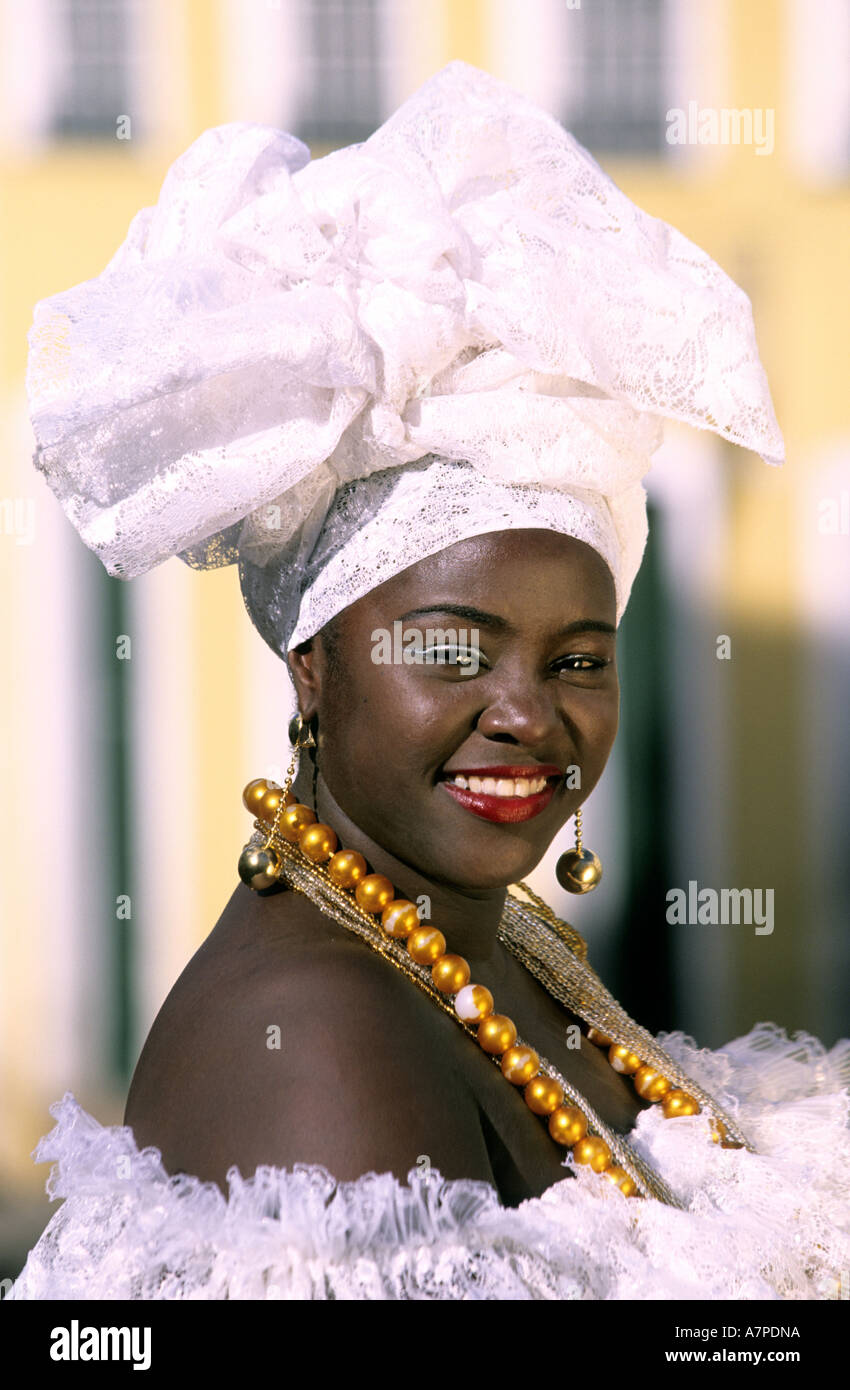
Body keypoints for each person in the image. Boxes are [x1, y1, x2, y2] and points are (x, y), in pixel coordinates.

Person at [9, 61, 850, 1300]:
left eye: (578, 659)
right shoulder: (315, 1041)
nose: (527, 712)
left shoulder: (488, 937)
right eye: (453, 649)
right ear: (314, 668)